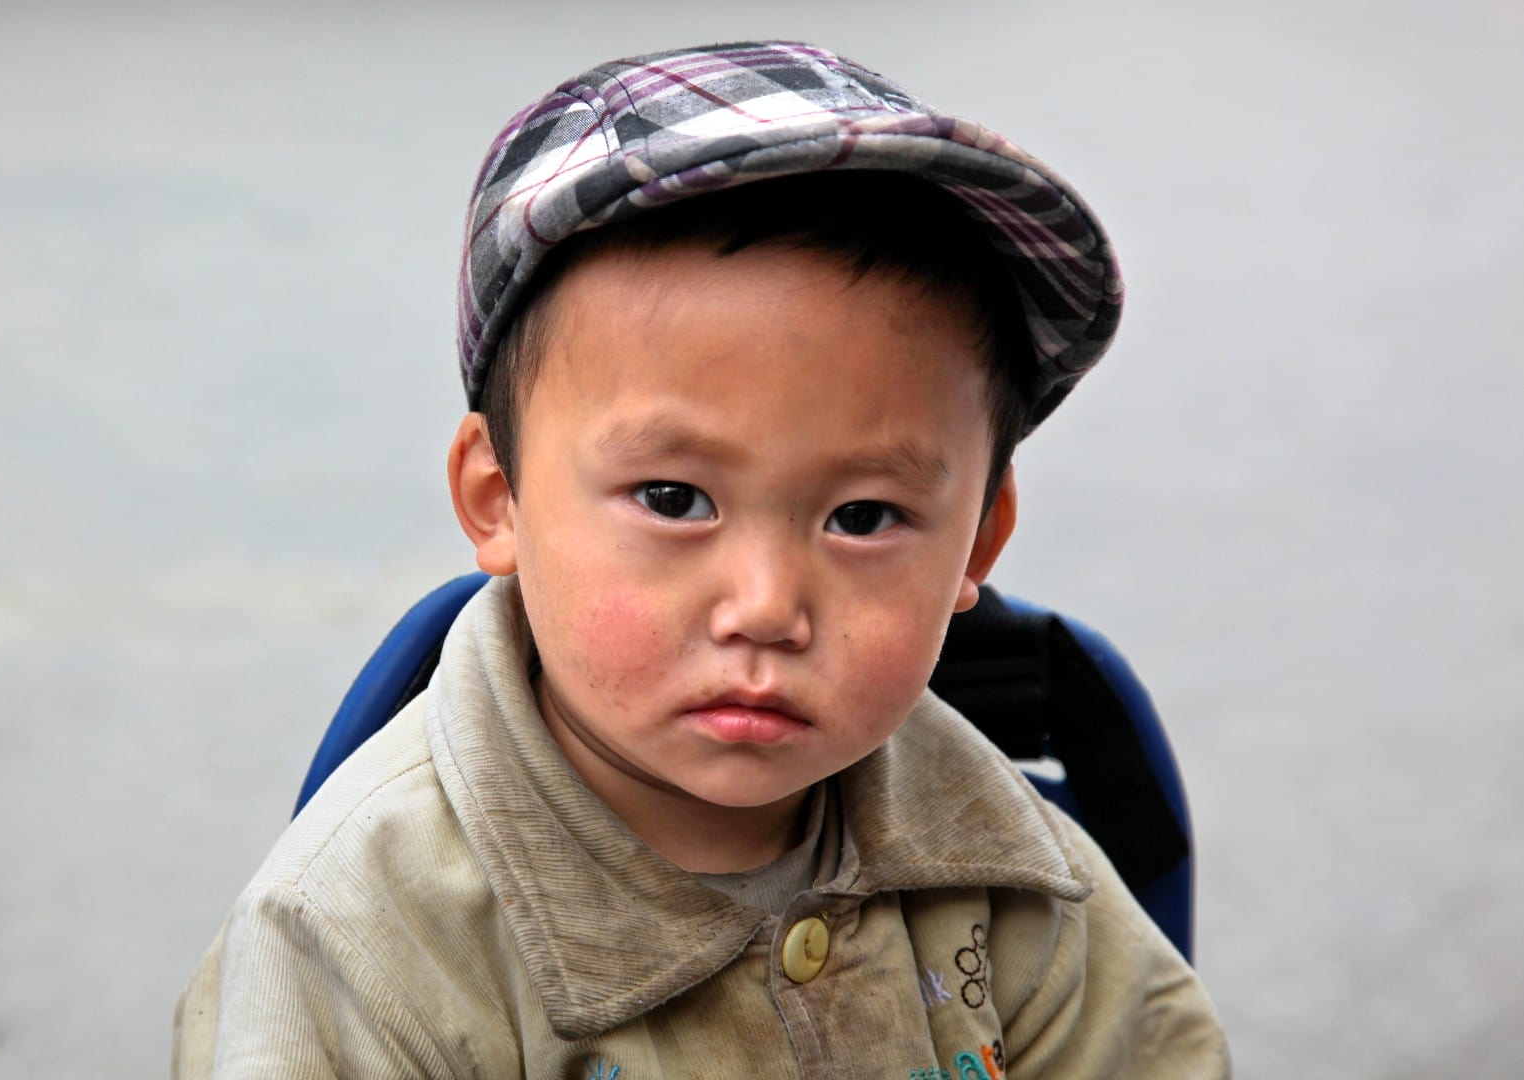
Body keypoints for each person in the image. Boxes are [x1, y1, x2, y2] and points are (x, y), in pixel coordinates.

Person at [175, 41, 1230, 1077]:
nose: (765, 607)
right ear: (497, 498)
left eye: (863, 516)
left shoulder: (1011, 873)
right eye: (673, 500)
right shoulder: (360, 940)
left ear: (979, 542)